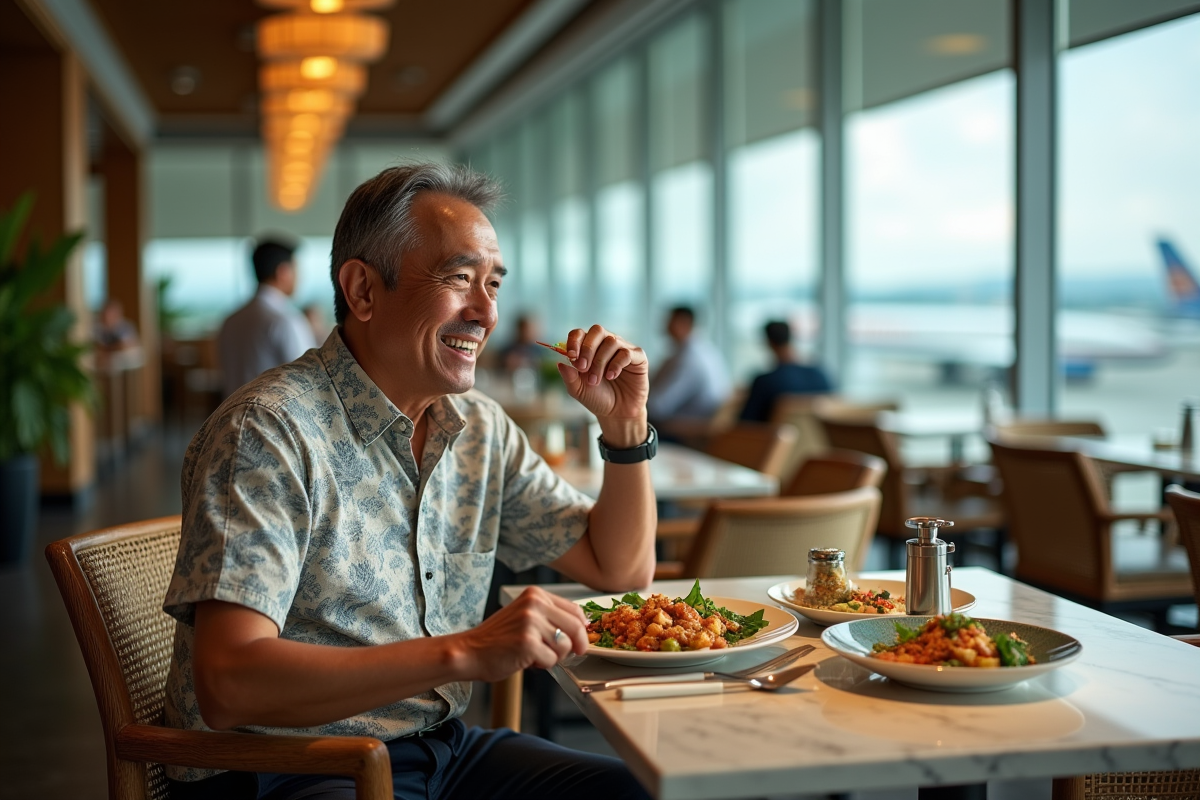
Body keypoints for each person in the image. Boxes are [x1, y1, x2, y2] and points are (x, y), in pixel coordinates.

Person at [162, 163, 657, 800]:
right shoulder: (268, 431)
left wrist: (626, 427)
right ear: (363, 290)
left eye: (493, 284)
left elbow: (619, 567)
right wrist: (466, 650)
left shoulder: (480, 429)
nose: (487, 312)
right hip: (286, 765)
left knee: (647, 792)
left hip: (439, 749)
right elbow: (229, 683)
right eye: (459, 278)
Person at [216, 237, 316, 397]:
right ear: (283, 272)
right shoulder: (285, 320)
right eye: (296, 270)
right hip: (274, 412)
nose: (299, 278)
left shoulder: (230, 321)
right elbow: (308, 379)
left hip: (232, 410)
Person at [646, 305, 730, 431]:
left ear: (682, 323)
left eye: (669, 321)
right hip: (695, 424)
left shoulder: (688, 360)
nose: (665, 326)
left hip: (686, 430)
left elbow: (657, 408)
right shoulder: (706, 350)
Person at [738, 319, 832, 422]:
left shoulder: (765, 382)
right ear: (790, 337)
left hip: (776, 432)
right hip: (815, 433)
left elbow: (746, 423)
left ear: (768, 342)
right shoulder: (820, 375)